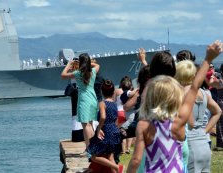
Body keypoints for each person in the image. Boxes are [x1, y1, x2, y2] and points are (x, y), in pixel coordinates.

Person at [127, 40, 222, 173]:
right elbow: (194, 87)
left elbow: (136, 160)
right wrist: (208, 58)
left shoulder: (143, 125)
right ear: (174, 96)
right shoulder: (179, 121)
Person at [175, 60, 222, 173]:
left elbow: (189, 123)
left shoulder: (181, 93)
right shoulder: (203, 92)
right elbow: (218, 111)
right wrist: (205, 130)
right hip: (204, 143)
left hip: (189, 144)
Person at [61, 53, 100, 147]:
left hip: (84, 100)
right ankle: (94, 146)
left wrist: (70, 64)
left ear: (80, 62)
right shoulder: (93, 71)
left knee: (85, 125)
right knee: (90, 123)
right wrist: (87, 63)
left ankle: (89, 147)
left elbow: (63, 75)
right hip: (93, 99)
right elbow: (97, 65)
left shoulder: (78, 73)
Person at [87, 79, 123, 173]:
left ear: (102, 92)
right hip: (114, 131)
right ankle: (115, 168)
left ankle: (116, 167)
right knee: (110, 156)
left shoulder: (102, 103)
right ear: (112, 92)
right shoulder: (114, 104)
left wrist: (99, 128)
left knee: (95, 157)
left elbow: (103, 117)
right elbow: (116, 119)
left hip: (106, 130)